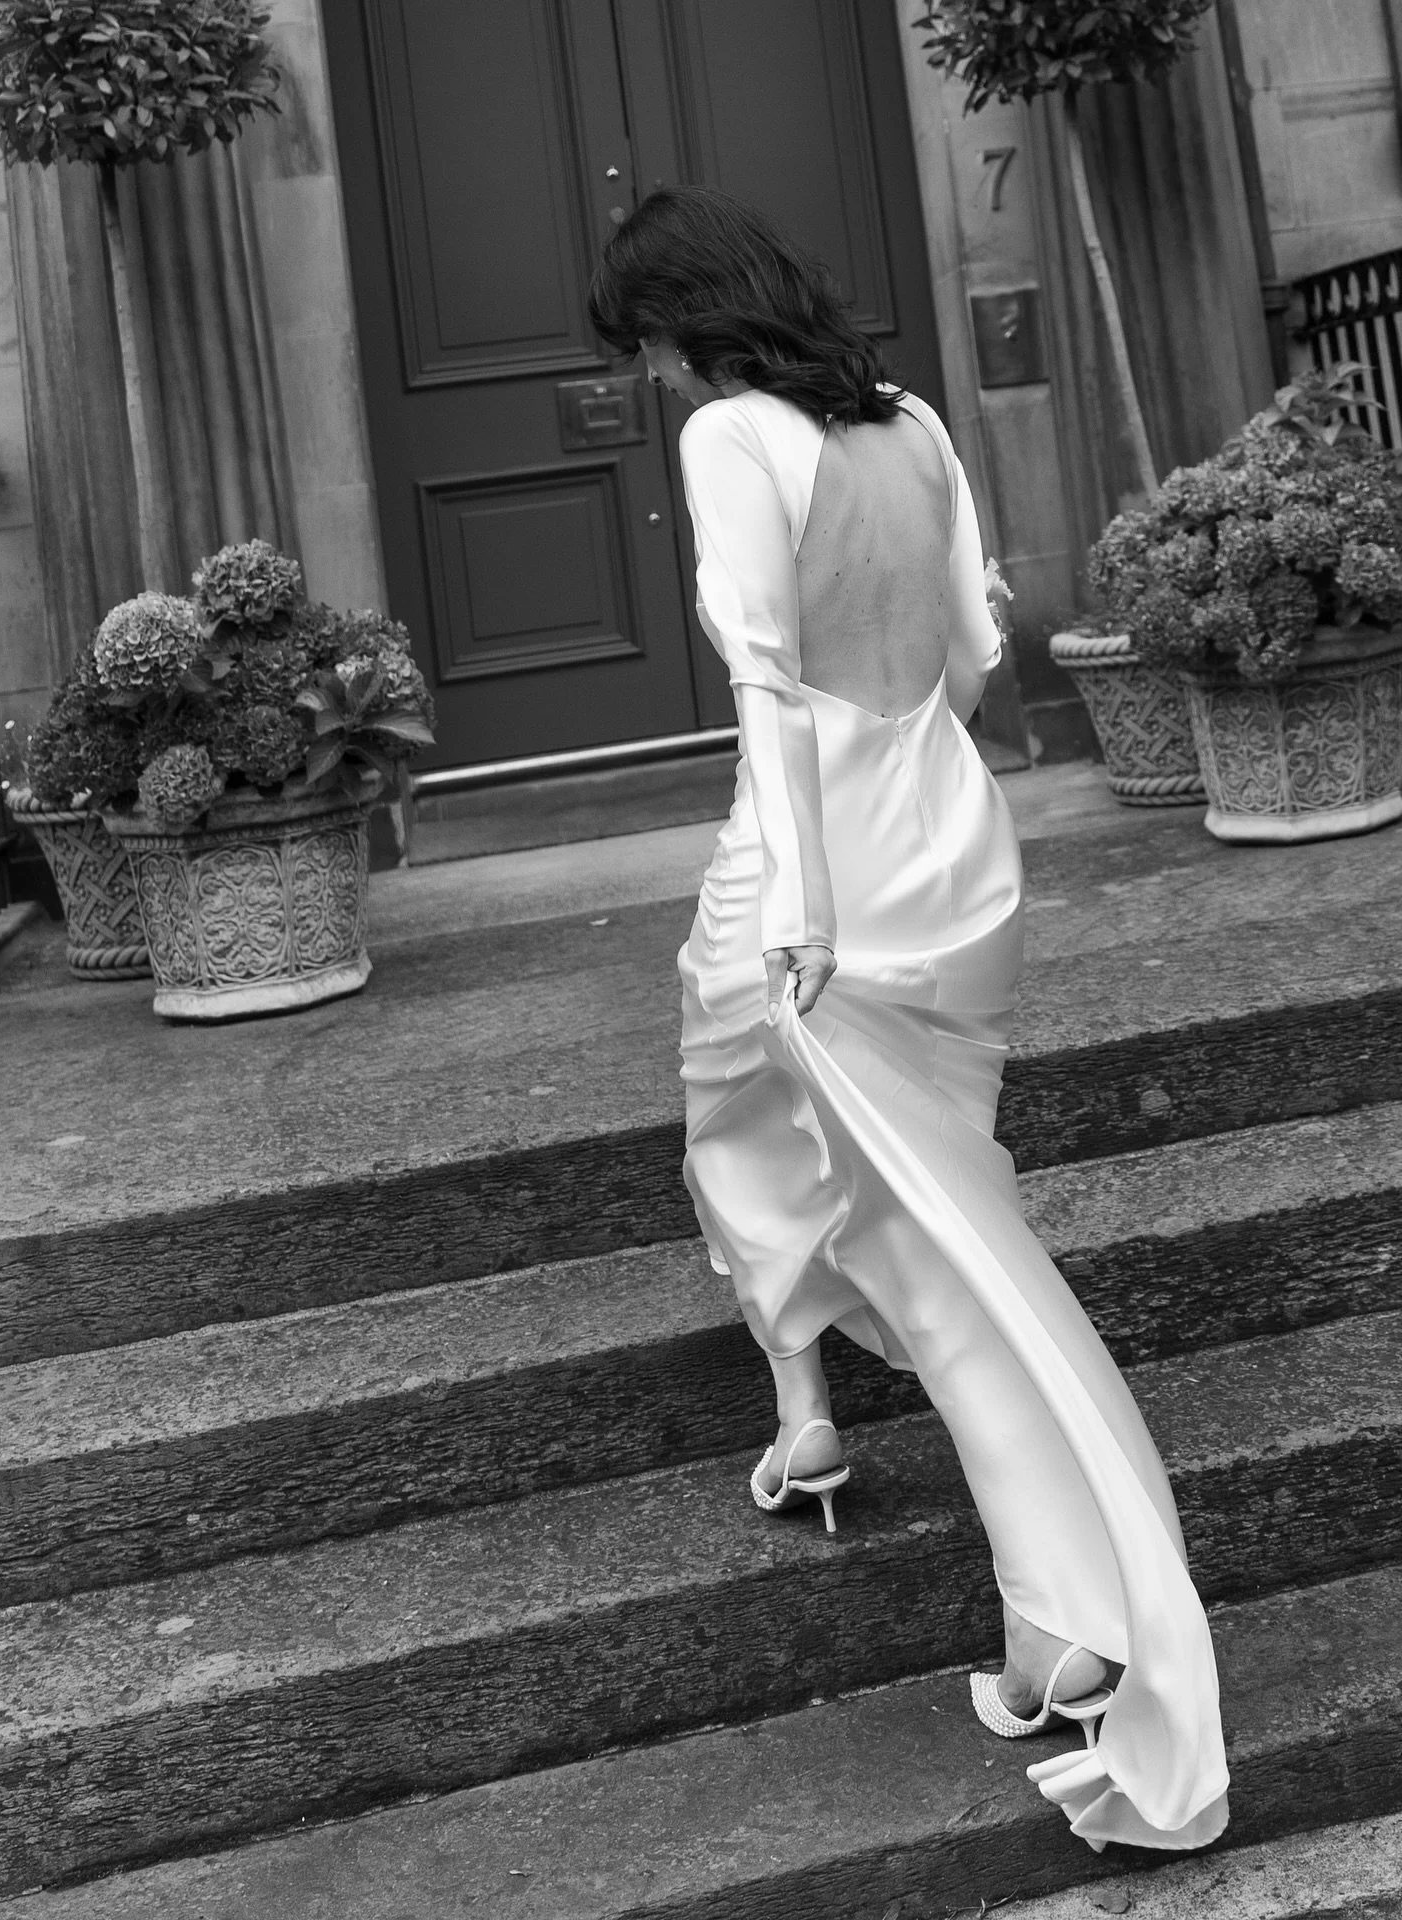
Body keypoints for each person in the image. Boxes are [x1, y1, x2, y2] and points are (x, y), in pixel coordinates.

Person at [587, 185, 1228, 1854]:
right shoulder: (920, 421)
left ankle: (1043, 1590)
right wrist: (899, 773)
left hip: (826, 855)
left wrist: (800, 893)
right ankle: (972, 1560)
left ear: (689, 325)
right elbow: (968, 652)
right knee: (938, 1208)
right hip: (954, 840)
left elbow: (763, 679)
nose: (652, 380)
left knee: (783, 1137)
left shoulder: (734, 435)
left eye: (647, 346)